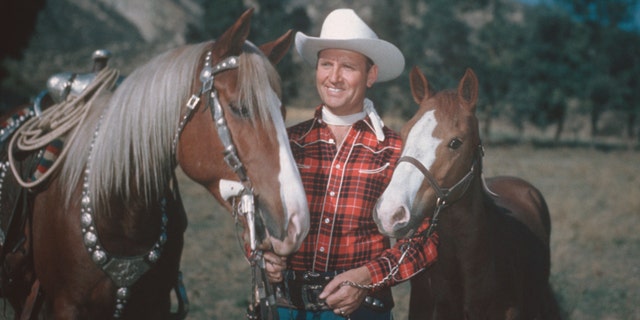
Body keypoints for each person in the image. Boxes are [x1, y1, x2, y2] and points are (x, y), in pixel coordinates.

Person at [264, 8, 439, 320]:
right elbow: (256, 216)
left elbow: (425, 239)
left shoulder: (395, 150)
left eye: (347, 67)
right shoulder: (287, 144)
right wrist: (261, 253)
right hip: (284, 307)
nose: (334, 77)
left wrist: (368, 277)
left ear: (370, 76)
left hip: (362, 311)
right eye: (326, 64)